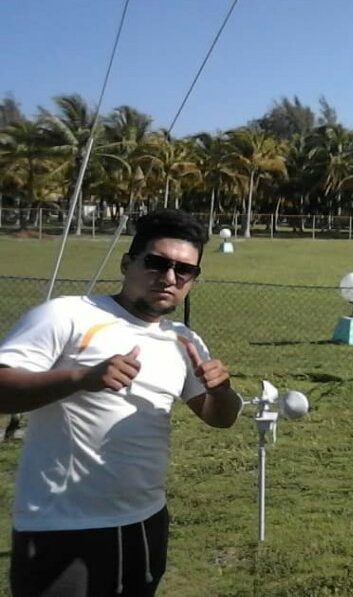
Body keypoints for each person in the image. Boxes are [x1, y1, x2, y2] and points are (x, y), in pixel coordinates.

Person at [0, 209, 243, 597]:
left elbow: (220, 419)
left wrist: (221, 392)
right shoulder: (68, 315)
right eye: (157, 263)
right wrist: (81, 378)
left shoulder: (183, 341)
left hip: (144, 522)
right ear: (128, 262)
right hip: (62, 525)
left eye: (184, 270)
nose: (169, 278)